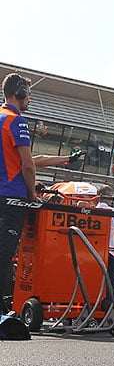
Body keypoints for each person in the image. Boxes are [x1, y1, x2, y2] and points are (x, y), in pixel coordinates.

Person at [0, 73, 36, 313]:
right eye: (29, 94)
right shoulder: (17, 121)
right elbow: (28, 165)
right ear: (20, 92)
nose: (30, 99)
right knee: (4, 254)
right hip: (12, 197)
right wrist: (32, 196)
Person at [95, 184, 114, 308]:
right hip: (111, 252)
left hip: (94, 251)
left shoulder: (93, 209)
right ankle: (109, 305)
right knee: (111, 281)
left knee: (96, 278)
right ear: (109, 197)